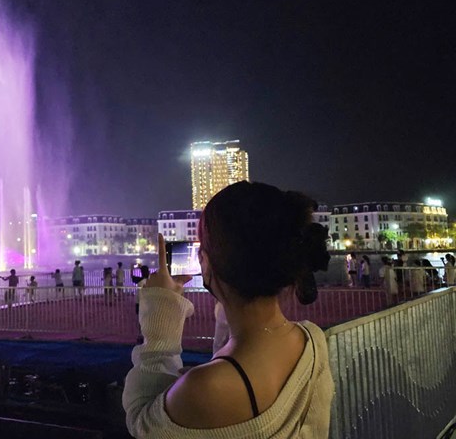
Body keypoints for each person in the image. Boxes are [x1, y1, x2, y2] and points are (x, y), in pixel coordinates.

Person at [123, 181, 333, 438]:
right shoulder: (313, 340)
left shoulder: (206, 388)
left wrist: (162, 314)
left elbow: (142, 422)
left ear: (204, 262)